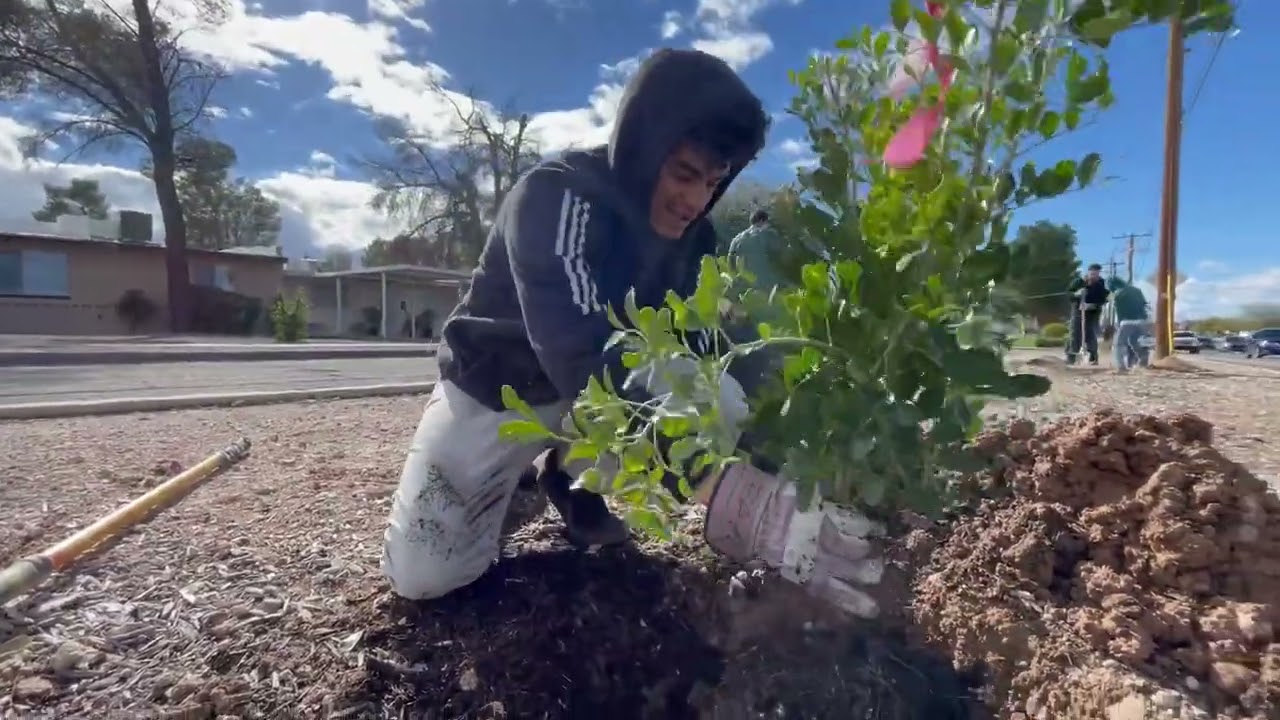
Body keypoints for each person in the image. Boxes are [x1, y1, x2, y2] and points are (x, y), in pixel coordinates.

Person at [379, 49, 884, 619]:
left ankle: (573, 478)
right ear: (644, 148)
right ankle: (514, 482)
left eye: (714, 182)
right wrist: (715, 486)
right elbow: (579, 347)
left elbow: (714, 350)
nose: (695, 201)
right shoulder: (555, 197)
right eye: (684, 174)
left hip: (600, 403)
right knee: (425, 576)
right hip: (498, 394)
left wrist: (787, 466)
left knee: (720, 395)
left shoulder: (696, 241)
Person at [1067, 263, 1110, 365]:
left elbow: (1103, 299)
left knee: (1091, 334)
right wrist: (1076, 294)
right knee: (1075, 334)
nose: (1094, 276)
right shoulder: (1079, 282)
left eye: (1097, 274)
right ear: (1089, 272)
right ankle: (1071, 357)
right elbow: (1069, 294)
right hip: (1078, 312)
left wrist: (1092, 305)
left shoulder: (1100, 284)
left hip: (1093, 312)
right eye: (1092, 273)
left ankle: (1093, 357)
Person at [1108, 276, 1151, 371]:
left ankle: (1121, 366)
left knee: (1119, 344)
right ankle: (1143, 362)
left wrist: (1118, 323)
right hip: (1142, 321)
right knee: (1135, 342)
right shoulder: (1137, 290)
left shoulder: (1117, 294)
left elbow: (1118, 311)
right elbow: (1144, 304)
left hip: (1127, 321)